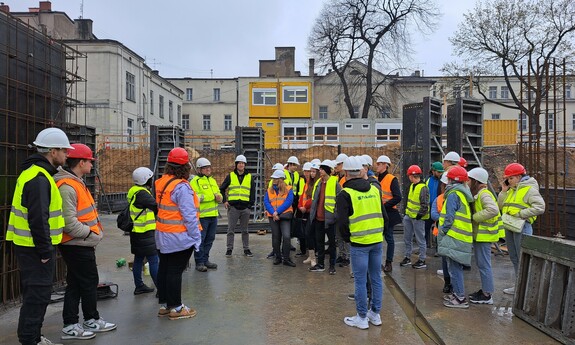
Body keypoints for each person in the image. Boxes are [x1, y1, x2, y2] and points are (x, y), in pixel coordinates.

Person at [7, 127, 72, 345]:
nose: (67, 155)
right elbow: (38, 218)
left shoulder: (37, 173)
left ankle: (31, 337)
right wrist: (45, 251)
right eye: (64, 150)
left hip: (30, 246)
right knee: (38, 295)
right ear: (53, 151)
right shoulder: (38, 178)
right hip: (35, 249)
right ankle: (30, 339)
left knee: (36, 295)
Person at [54, 143, 116, 339]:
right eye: (90, 161)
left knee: (76, 283)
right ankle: (89, 320)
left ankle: (72, 323)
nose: (92, 165)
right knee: (89, 282)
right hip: (76, 244)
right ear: (81, 162)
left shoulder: (75, 183)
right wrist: (91, 234)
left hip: (80, 243)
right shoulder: (67, 186)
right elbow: (68, 222)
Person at [337, 156, 385, 330]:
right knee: (376, 278)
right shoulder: (374, 189)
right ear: (361, 171)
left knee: (359, 280)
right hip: (377, 241)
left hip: (359, 243)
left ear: (346, 173)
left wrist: (347, 238)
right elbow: (384, 215)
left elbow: (342, 223)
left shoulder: (345, 194)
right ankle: (375, 314)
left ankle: (362, 317)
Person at [155, 147, 202, 320]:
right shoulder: (182, 187)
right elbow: (189, 216)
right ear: (186, 166)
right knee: (175, 271)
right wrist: (196, 237)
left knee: (165, 268)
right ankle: (176, 307)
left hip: (162, 234)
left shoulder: (161, 182)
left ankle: (165, 305)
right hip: (179, 237)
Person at [498, 163, 545, 295]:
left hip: (522, 227)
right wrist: (503, 191)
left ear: (518, 177)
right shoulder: (511, 190)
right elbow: (501, 205)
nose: (508, 181)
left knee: (523, 258)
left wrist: (520, 214)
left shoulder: (529, 189)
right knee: (514, 257)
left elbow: (540, 207)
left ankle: (525, 288)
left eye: (510, 178)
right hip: (510, 226)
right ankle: (519, 286)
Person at [437, 166, 474, 309]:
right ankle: (458, 295)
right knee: (454, 267)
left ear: (451, 180)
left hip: (454, 235)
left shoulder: (453, 194)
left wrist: (443, 231)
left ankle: (460, 297)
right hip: (460, 236)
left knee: (454, 268)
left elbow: (449, 217)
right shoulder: (462, 193)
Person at [467, 168, 501, 304]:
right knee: (482, 264)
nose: (468, 182)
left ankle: (487, 294)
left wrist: (474, 217)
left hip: (484, 236)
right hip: (481, 235)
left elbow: (493, 209)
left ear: (476, 181)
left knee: (484, 265)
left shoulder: (484, 194)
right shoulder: (479, 193)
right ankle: (485, 290)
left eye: (470, 180)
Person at [128, 167, 159, 295]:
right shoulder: (142, 194)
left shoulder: (133, 190)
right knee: (153, 260)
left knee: (139, 259)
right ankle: (161, 288)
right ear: (145, 179)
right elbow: (157, 207)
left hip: (136, 231)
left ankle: (139, 285)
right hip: (145, 232)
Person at [309, 160, 341, 274]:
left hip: (330, 219)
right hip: (318, 218)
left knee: (332, 244)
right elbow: (315, 201)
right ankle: (321, 264)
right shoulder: (318, 182)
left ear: (327, 170)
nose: (320, 171)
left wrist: (335, 215)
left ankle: (332, 266)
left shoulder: (334, 182)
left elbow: (339, 201)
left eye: (322, 169)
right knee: (319, 243)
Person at [220, 154, 255, 257]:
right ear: (236, 164)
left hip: (245, 208)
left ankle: (246, 249)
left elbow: (252, 192)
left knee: (245, 230)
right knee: (230, 230)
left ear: (245, 165)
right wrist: (225, 201)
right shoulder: (230, 176)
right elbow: (222, 189)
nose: (241, 165)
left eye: (242, 163)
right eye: (239, 163)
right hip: (233, 207)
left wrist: (250, 205)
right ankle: (229, 249)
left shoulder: (249, 177)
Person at [190, 157, 222, 272]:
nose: (208, 169)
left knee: (210, 239)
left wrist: (219, 198)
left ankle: (205, 259)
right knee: (200, 240)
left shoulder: (212, 180)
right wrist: (212, 197)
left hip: (213, 215)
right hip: (202, 217)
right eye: (205, 168)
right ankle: (199, 262)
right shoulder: (195, 182)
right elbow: (196, 197)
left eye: (209, 167)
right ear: (199, 169)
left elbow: (218, 194)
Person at [375, 155, 402, 273]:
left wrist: (385, 206)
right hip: (378, 212)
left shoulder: (392, 179)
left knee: (389, 238)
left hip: (389, 212)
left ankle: (389, 262)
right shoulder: (376, 179)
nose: (377, 166)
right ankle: (377, 261)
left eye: (379, 164)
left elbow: (398, 197)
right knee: (377, 238)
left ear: (385, 165)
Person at [264, 169, 295, 267]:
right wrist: (273, 213)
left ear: (281, 179)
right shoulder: (269, 190)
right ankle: (278, 257)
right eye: (273, 178)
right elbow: (266, 202)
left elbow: (288, 202)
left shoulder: (289, 189)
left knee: (286, 236)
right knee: (276, 237)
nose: (273, 180)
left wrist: (277, 212)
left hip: (284, 216)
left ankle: (286, 258)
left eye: (275, 178)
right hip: (273, 216)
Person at [400, 165, 429, 269]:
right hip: (410, 216)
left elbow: (425, 204)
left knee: (420, 239)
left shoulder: (423, 188)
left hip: (418, 218)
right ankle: (407, 257)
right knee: (407, 238)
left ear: (412, 176)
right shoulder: (413, 186)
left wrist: (419, 216)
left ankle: (422, 259)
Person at [431, 172, 452, 293]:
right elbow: (433, 213)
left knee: (450, 260)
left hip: (449, 233)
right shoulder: (439, 199)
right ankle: (447, 282)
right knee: (444, 259)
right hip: (441, 232)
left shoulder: (454, 197)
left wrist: (442, 218)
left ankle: (451, 283)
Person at [300, 162, 318, 267]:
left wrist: (305, 206)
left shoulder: (318, 183)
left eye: (313, 171)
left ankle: (314, 257)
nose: (311, 173)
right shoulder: (307, 183)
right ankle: (311, 256)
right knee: (308, 234)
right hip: (306, 212)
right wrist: (300, 206)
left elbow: (314, 198)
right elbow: (303, 196)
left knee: (312, 234)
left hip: (313, 212)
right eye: (310, 171)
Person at [425, 162, 444, 249]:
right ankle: (426, 245)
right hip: (429, 209)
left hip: (438, 208)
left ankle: (438, 247)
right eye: (438, 172)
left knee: (438, 228)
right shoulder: (428, 180)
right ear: (433, 171)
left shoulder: (442, 181)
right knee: (426, 227)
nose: (440, 174)